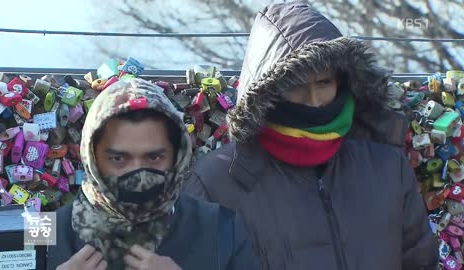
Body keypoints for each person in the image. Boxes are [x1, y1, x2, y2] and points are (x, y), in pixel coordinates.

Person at [183, 2, 438, 270]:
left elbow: (420, 262)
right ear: (267, 92)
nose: (314, 101)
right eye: (296, 85)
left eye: (324, 82)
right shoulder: (215, 183)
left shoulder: (386, 166)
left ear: (342, 82)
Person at [47, 79, 260, 270]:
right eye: (118, 158)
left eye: (154, 157)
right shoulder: (45, 230)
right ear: (91, 157)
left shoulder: (220, 227)